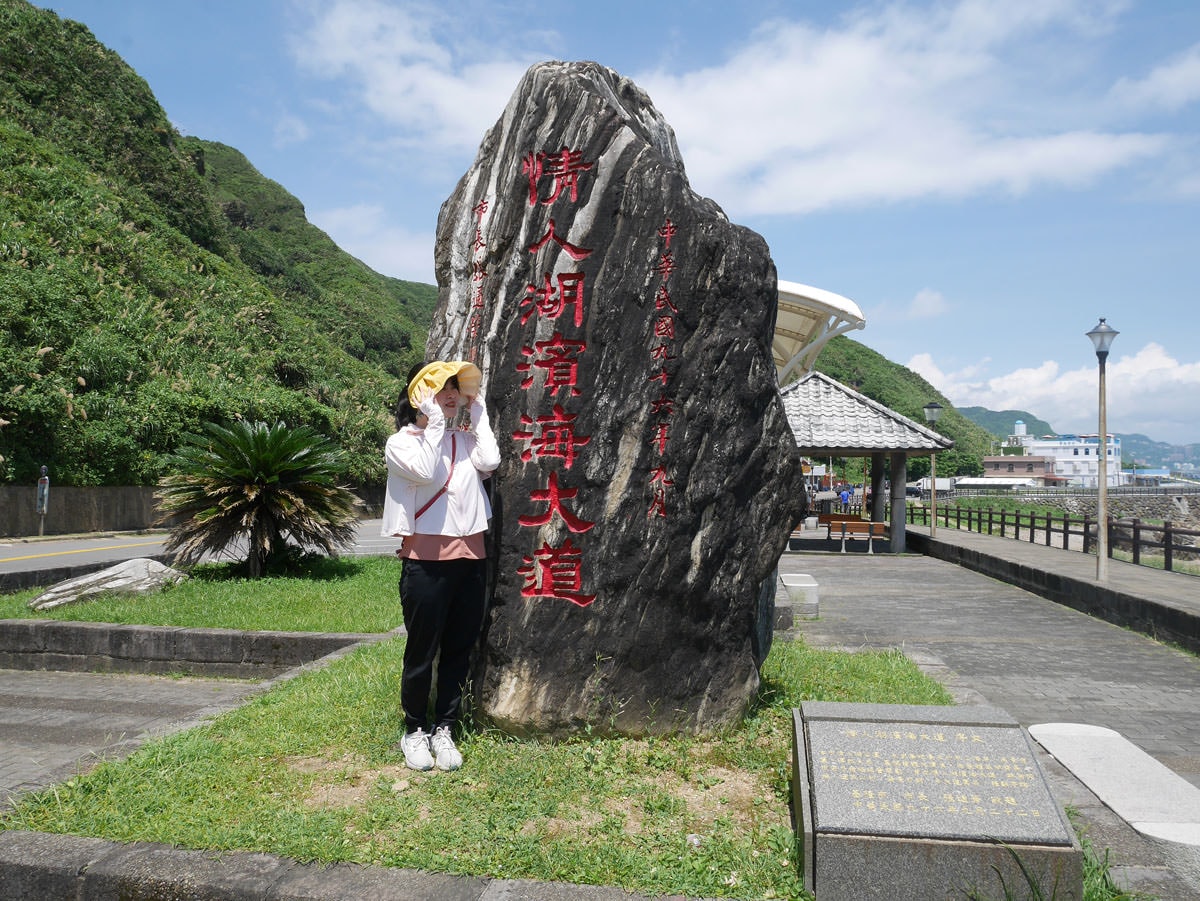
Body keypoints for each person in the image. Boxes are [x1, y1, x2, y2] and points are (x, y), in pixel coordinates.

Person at [382, 360, 500, 771]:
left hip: (471, 559)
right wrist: (432, 420)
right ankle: (414, 729)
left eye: (455, 388)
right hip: (426, 564)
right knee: (421, 651)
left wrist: (479, 410)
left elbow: (492, 460)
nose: (449, 394)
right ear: (417, 396)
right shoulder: (402, 443)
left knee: (458, 649)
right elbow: (425, 470)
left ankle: (444, 728)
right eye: (439, 388)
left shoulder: (462, 440)